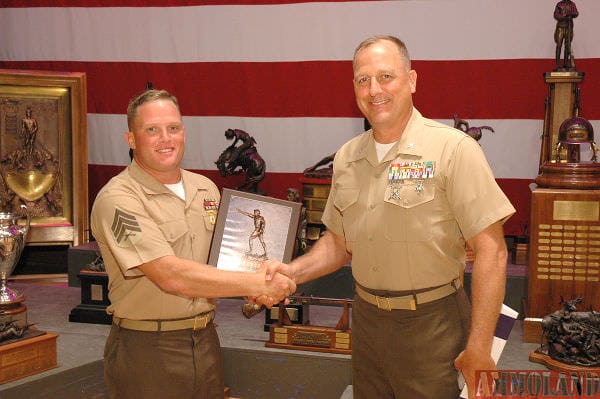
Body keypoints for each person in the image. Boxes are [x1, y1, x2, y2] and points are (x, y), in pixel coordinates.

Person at [260, 35, 515, 399]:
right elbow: (337, 242)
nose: (374, 89)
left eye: (386, 77)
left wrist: (480, 345)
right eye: (363, 80)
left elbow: (493, 251)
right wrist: (292, 272)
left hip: (432, 325)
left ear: (411, 81)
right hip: (367, 322)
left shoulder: (454, 150)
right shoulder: (347, 157)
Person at [90, 89, 295, 399]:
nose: (165, 138)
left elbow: (222, 265)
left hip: (205, 341)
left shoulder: (205, 190)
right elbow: (169, 274)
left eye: (173, 128)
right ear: (131, 139)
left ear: (183, 131)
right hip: (147, 350)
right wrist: (262, 282)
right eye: (151, 130)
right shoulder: (119, 199)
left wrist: (256, 287)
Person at [554, 0, 578, 70]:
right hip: (560, 27)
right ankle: (558, 64)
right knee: (559, 45)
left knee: (568, 45)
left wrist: (571, 14)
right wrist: (564, 17)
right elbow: (556, 15)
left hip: (569, 27)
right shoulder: (559, 4)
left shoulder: (572, 4)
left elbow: (576, 12)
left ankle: (565, 63)